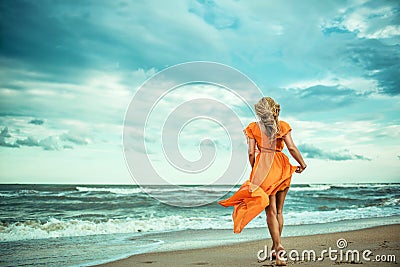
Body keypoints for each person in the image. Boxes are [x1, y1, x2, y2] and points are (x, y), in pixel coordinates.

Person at [219, 96, 307, 266]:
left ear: (259, 112)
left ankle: (278, 247)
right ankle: (276, 248)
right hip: (282, 167)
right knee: (280, 212)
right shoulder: (283, 126)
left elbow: (251, 153)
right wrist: (302, 164)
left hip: (263, 169)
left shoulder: (253, 128)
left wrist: (256, 170)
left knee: (270, 212)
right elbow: (291, 148)